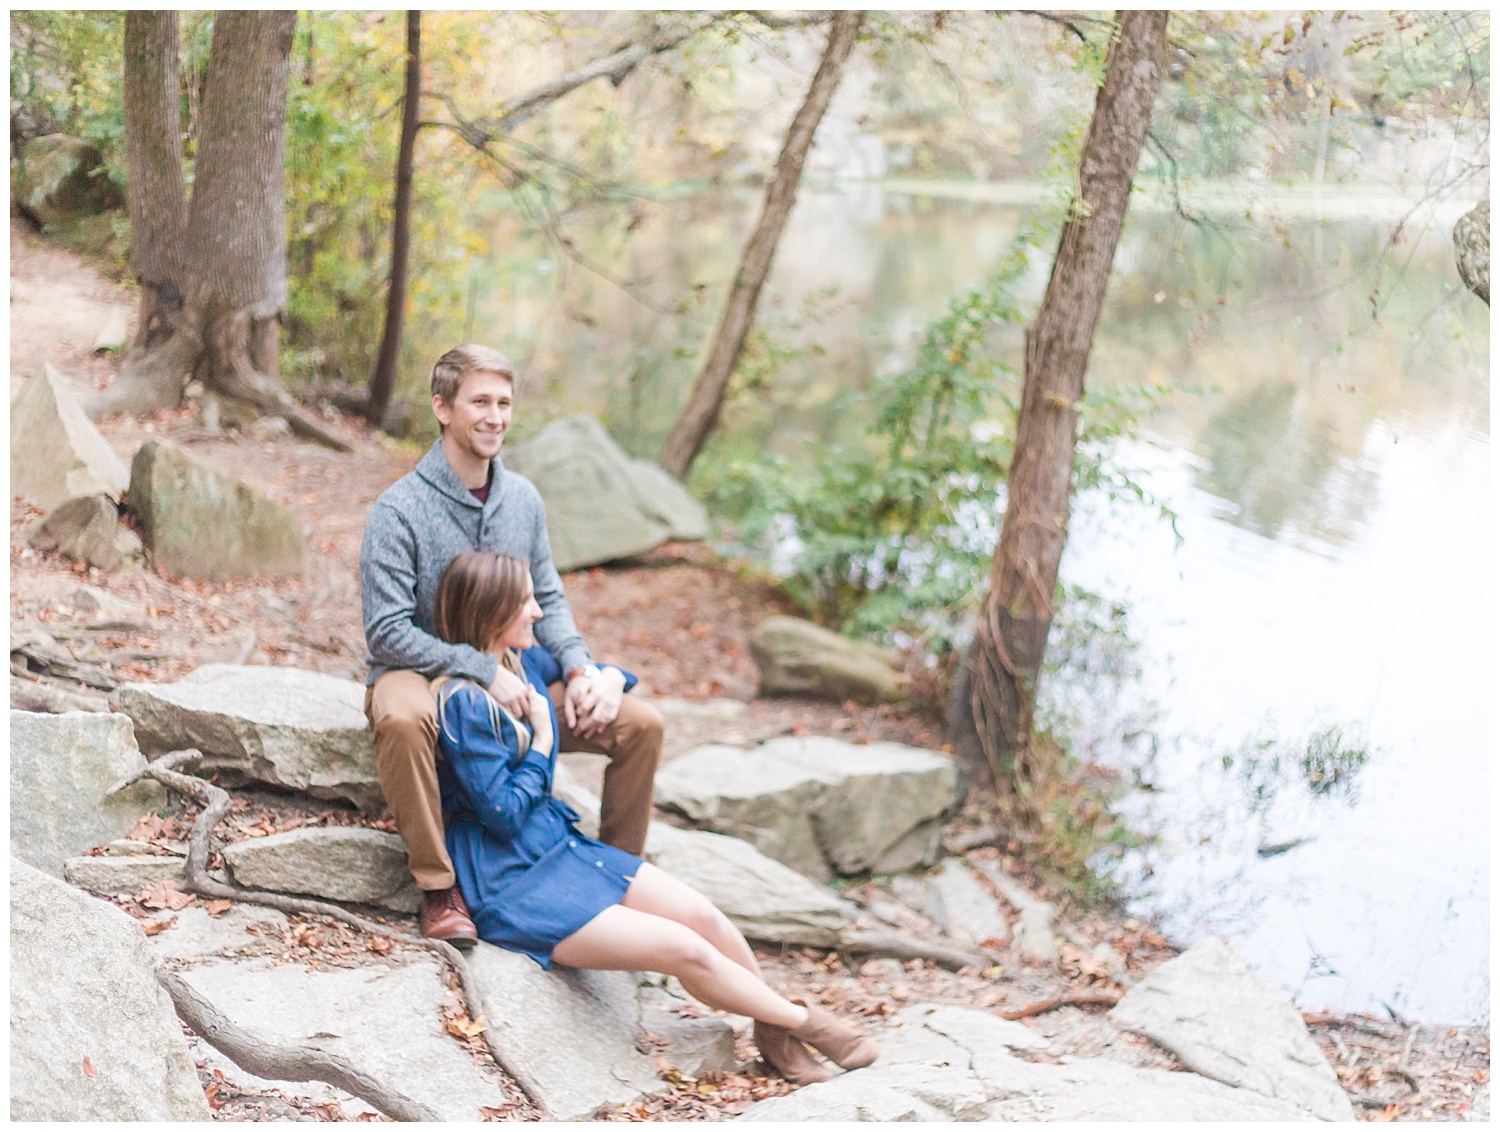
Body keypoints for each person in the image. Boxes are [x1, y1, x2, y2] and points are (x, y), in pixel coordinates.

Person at [429, 550, 879, 1085]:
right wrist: (545, 743)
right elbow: (501, 814)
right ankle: (806, 1022)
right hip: (511, 880)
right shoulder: (463, 703)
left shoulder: (521, 662)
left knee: (707, 919)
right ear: (492, 611)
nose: (538, 612)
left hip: (559, 847)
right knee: (685, 948)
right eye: (526, 601)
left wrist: (610, 682)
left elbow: (597, 669)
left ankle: (772, 1036)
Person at [360, 344, 663, 946]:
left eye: (504, 402)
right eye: (480, 402)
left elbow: (546, 597)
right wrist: (475, 668)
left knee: (640, 724)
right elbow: (387, 630)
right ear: (442, 408)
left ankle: (613, 872)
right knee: (400, 716)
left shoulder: (522, 499)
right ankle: (439, 887)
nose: (495, 416)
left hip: (512, 668)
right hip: (418, 666)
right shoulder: (399, 509)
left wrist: (578, 670)